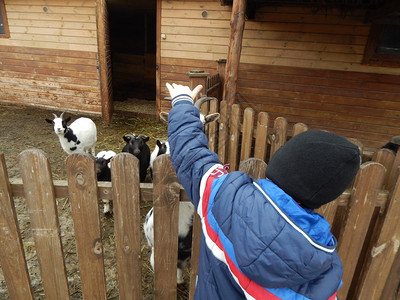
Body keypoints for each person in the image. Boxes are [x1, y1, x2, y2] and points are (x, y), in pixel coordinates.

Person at [165, 82, 361, 300]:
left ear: (283, 160)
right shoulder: (323, 270)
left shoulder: (225, 196)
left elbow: (190, 153)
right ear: (327, 195)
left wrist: (182, 103)